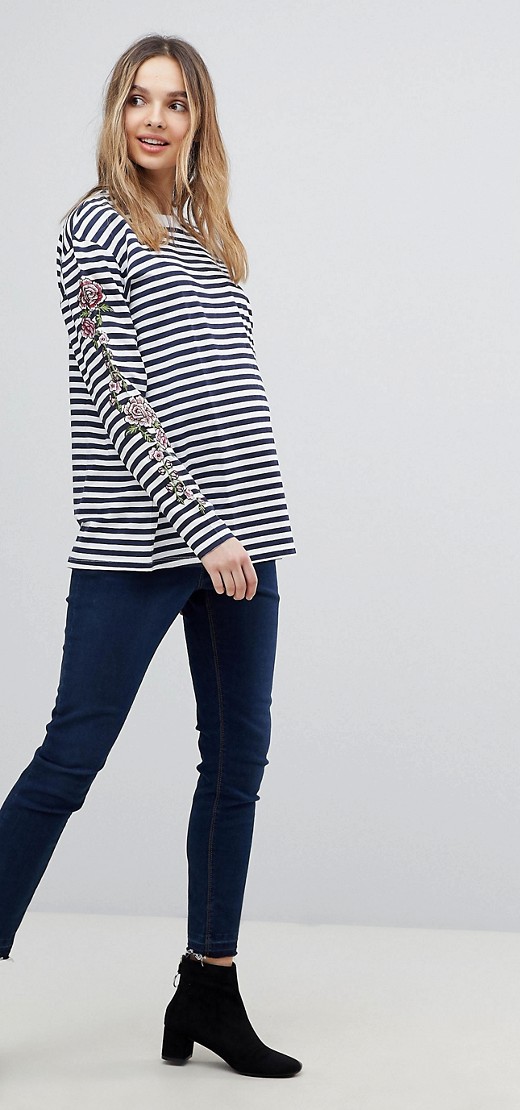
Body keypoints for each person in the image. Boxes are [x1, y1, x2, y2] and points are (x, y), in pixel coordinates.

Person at [0, 34, 302, 1079]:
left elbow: (227, 391)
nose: (155, 119)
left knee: (237, 764)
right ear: (116, 113)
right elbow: (116, 394)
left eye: (175, 102)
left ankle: (208, 989)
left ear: (197, 119)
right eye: (139, 99)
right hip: (145, 546)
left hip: (245, 544)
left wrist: (243, 526)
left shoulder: (208, 236)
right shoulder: (94, 227)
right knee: (68, 761)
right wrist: (199, 525)